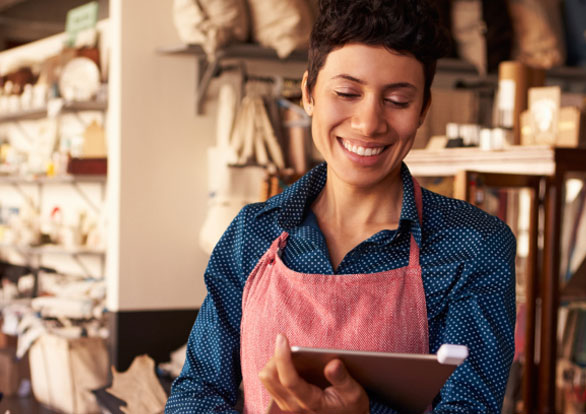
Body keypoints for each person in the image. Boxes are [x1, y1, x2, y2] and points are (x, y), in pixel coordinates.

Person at [165, 0, 516, 412]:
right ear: (309, 93)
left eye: (398, 101)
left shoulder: (474, 246)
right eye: (347, 92)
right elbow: (197, 393)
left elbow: (468, 408)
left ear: (423, 111)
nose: (369, 123)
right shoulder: (252, 233)